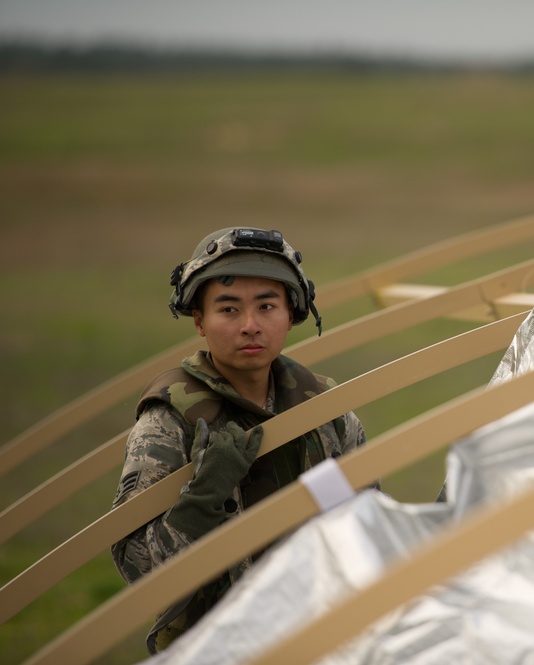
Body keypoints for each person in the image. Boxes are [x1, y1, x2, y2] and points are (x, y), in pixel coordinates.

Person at [111, 227, 370, 654]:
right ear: (199, 321)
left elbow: (369, 529)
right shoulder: (170, 421)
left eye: (267, 306)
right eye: (228, 310)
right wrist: (203, 498)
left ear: (291, 314)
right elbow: (138, 571)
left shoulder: (328, 412)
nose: (250, 326)